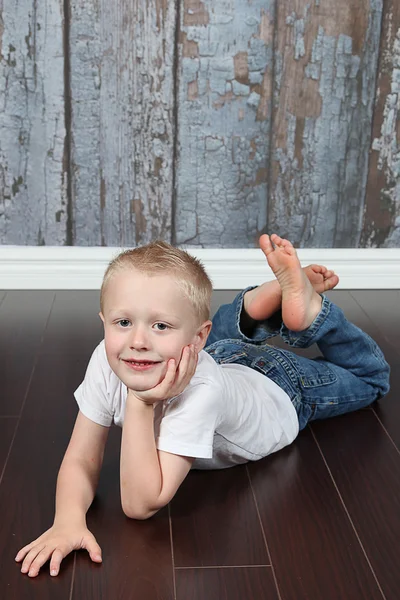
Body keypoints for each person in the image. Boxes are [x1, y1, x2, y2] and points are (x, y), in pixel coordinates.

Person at [15, 234, 390, 578]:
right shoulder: (111, 356)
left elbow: (140, 504)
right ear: (104, 323)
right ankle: (259, 302)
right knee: (189, 322)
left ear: (196, 339)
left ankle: (312, 314)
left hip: (278, 384)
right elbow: (82, 458)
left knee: (371, 377)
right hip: (205, 355)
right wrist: (67, 520)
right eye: (123, 321)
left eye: (159, 325)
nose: (138, 341)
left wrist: (142, 402)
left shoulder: (201, 389)